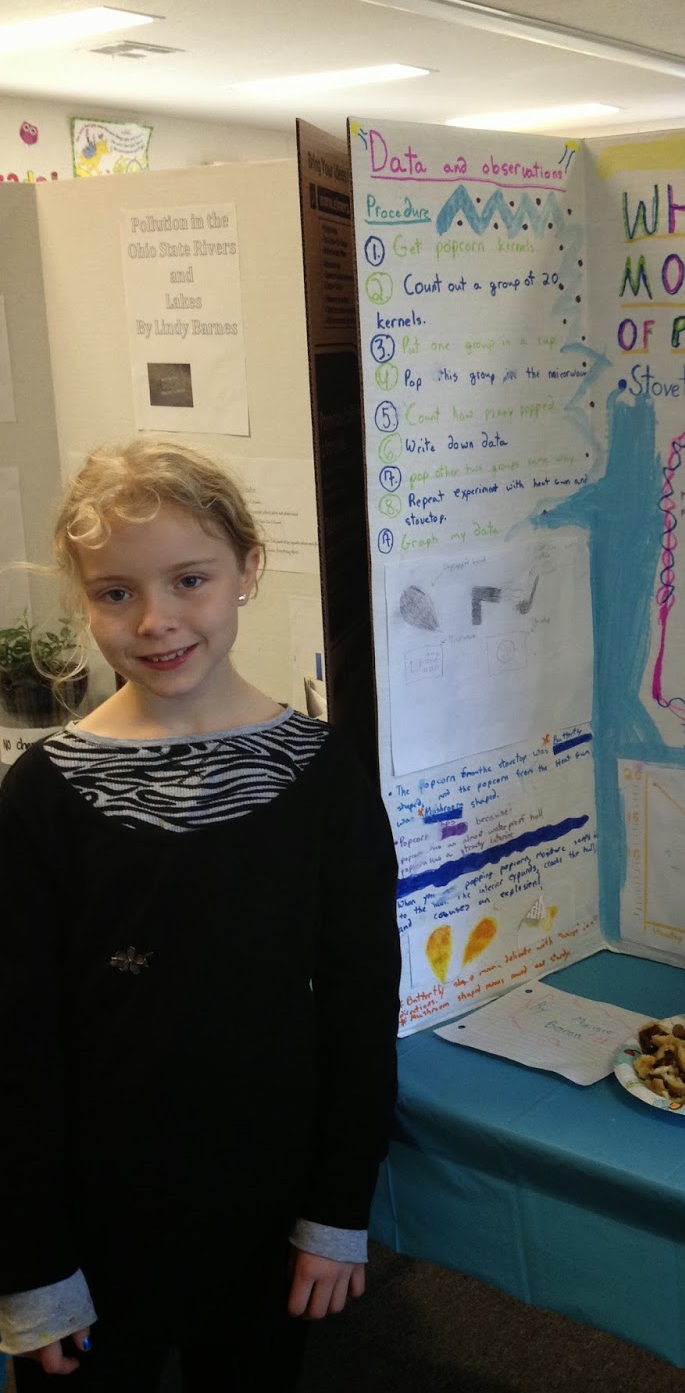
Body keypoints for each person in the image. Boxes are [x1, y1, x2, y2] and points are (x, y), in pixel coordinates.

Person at [0, 439, 401, 1390]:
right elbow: (14, 1042)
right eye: (116, 592)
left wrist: (337, 1211)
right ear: (84, 600)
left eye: (190, 579)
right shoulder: (42, 795)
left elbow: (360, 1007)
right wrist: (31, 1265)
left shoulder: (324, 779)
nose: (156, 621)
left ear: (247, 569)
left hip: (266, 1200)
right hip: (91, 1216)